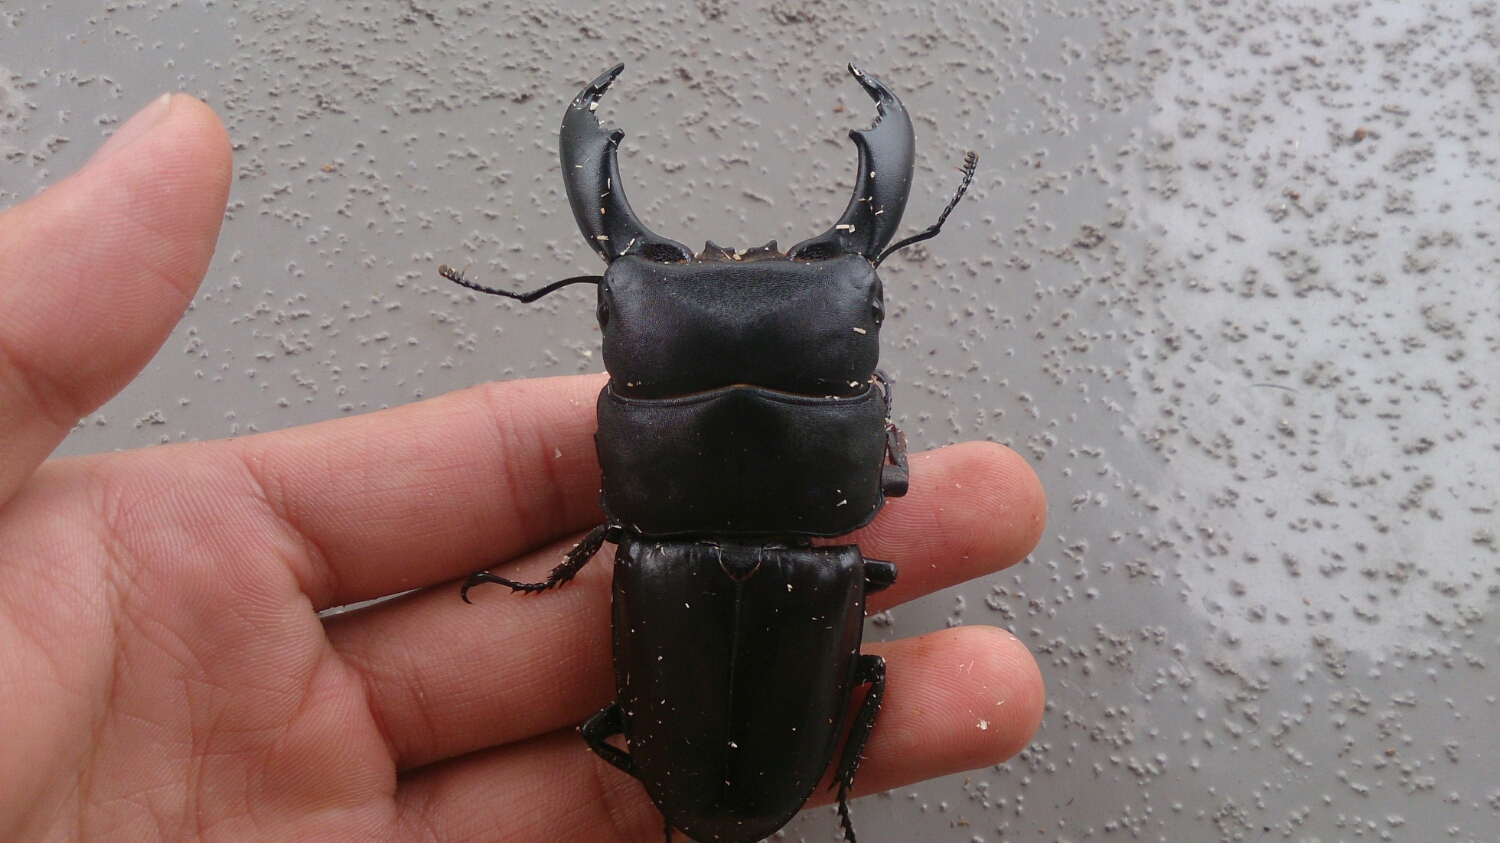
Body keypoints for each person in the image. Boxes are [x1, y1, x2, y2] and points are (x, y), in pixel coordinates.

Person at [0, 94, 1047, 841]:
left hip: (683, 699)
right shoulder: (838, 540)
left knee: (624, 695)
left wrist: (560, 573)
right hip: (744, 721)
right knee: (865, 670)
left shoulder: (638, 544)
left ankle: (829, 795)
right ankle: (843, 800)